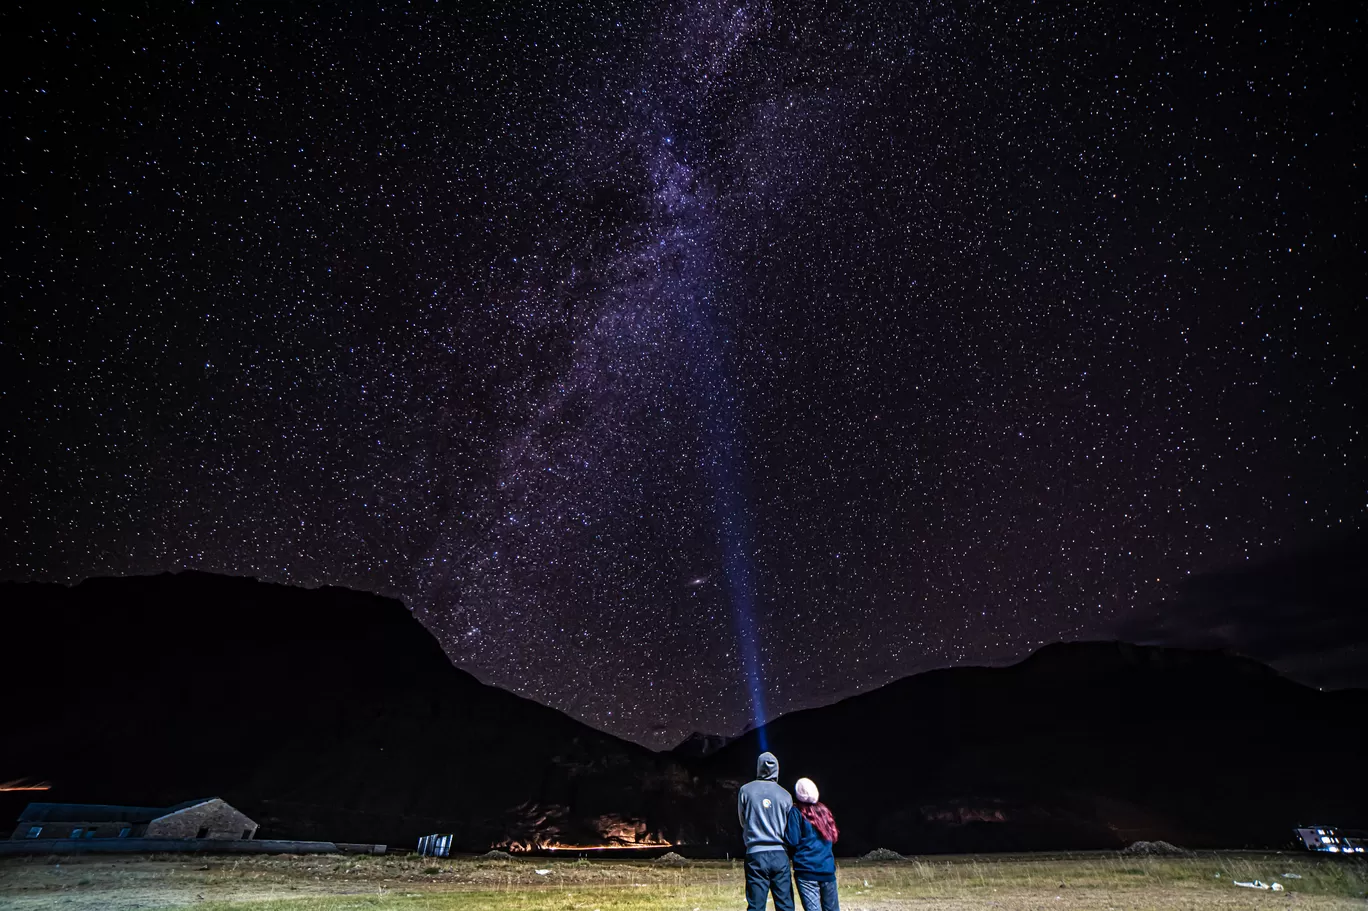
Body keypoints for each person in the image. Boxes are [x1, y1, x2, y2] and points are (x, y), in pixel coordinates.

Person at [738, 751, 795, 911]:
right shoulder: (785, 795)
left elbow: (743, 821)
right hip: (779, 853)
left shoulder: (745, 790)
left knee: (756, 905)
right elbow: (788, 826)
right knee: (785, 904)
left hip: (755, 853)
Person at [784, 777, 840, 911]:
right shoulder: (824, 811)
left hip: (806, 870)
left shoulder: (796, 812)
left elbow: (792, 840)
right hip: (827, 870)